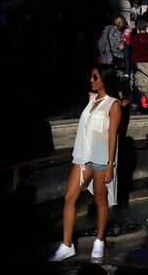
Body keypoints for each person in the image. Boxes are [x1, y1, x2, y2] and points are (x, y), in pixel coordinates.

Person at [49, 65, 122, 262]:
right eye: (90, 76)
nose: (91, 80)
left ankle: (99, 241)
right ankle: (67, 245)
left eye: (95, 77)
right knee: (69, 197)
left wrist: (110, 165)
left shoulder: (113, 104)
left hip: (101, 158)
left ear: (104, 79)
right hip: (83, 157)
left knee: (100, 200)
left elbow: (113, 137)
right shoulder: (91, 99)